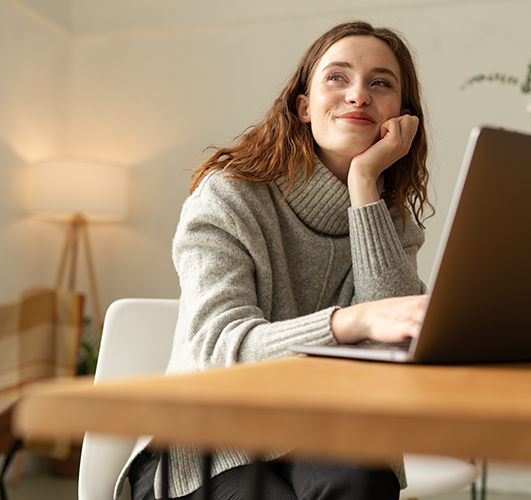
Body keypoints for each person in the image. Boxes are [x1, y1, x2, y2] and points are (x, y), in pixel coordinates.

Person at [119, 20, 433, 500]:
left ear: (401, 117)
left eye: (381, 83)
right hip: (204, 448)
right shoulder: (229, 198)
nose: (358, 95)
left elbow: (393, 359)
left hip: (324, 436)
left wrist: (365, 184)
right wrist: (353, 321)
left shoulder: (390, 224)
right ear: (304, 108)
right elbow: (220, 353)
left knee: (362, 478)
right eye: (337, 77)